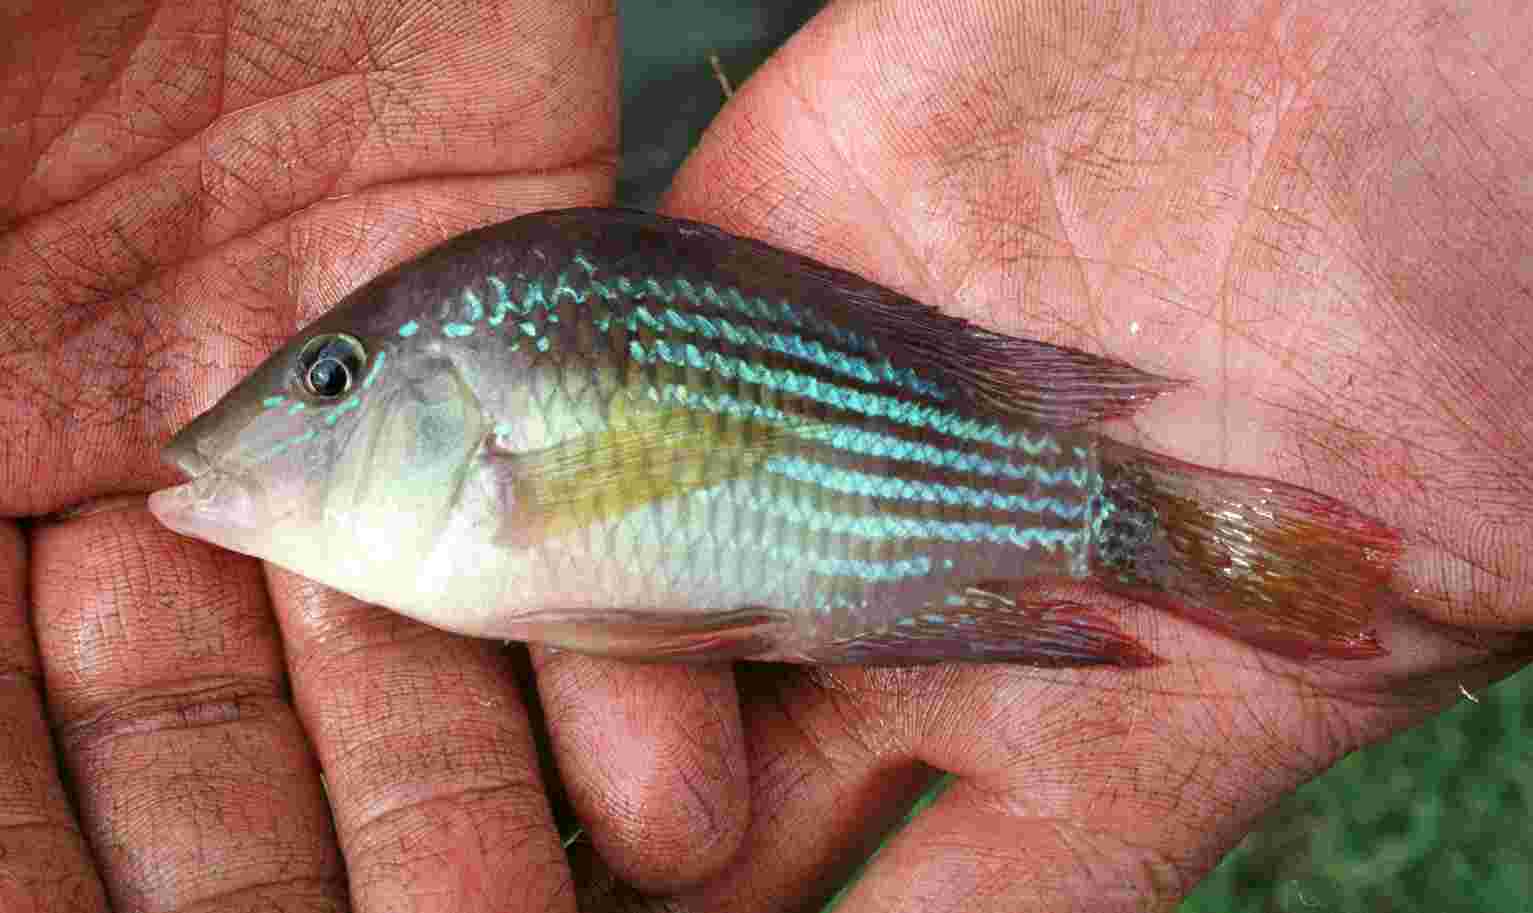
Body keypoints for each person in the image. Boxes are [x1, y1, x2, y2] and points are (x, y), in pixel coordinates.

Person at [3, 1, 1530, 910]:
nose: (284, 410)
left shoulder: (489, 498)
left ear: (445, 407)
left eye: (329, 376)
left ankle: (1166, 533)